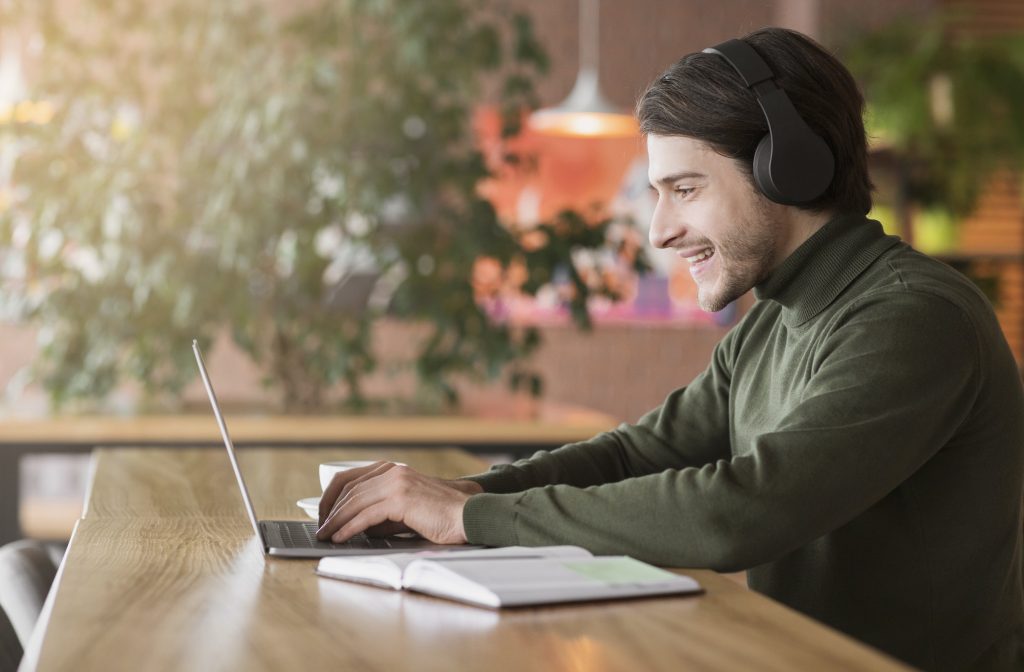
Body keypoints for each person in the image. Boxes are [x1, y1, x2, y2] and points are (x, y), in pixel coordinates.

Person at [317, 27, 1024, 672]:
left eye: (684, 189)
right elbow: (636, 454)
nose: (658, 231)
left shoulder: (913, 318)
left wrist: (470, 520)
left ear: (792, 169)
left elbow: (742, 510)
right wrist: (468, 494)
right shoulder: (775, 321)